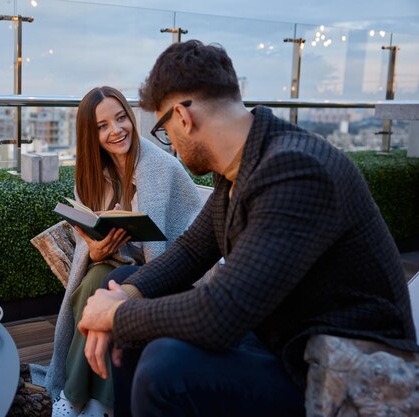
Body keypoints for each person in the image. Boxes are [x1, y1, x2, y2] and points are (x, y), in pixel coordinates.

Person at [78, 40, 419, 417]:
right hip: (284, 339)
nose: (169, 142)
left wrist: (115, 316)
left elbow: (222, 312)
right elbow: (192, 251)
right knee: (128, 278)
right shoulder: (239, 164)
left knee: (165, 368)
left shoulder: (297, 171)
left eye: (163, 130)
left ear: (183, 118)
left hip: (344, 368)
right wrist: (123, 295)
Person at [32, 86, 205, 417]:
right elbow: (90, 251)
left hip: (171, 272)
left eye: (121, 118)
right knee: (96, 274)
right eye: (102, 126)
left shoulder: (158, 167)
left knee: (101, 282)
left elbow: (175, 245)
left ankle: (75, 397)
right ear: (90, 134)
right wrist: (96, 251)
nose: (116, 130)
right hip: (120, 267)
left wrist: (117, 258)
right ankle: (91, 401)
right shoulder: (93, 176)